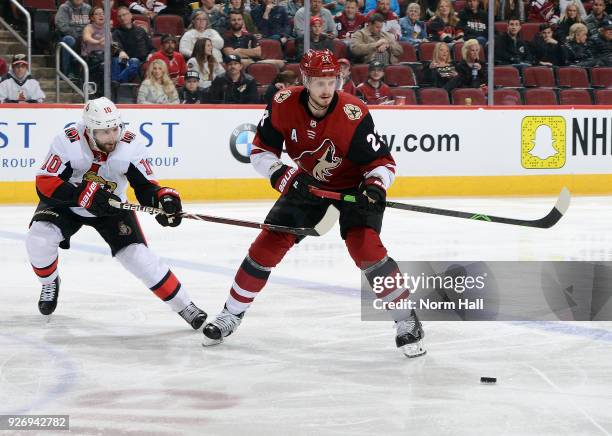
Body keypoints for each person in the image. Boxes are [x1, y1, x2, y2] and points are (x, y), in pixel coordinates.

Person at [201, 49, 426, 359]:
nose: (326, 90)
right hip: (306, 184)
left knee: (367, 249)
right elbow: (261, 152)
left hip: (354, 187)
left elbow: (382, 163)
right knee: (267, 244)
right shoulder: (282, 104)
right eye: (319, 82)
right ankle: (230, 314)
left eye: (331, 81)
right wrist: (283, 176)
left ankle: (406, 321)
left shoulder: (354, 113)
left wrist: (375, 186)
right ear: (305, 80)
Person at [25, 97, 207, 330]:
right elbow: (44, 182)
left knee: (139, 258)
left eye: (114, 129)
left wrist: (162, 198)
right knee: (39, 238)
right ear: (89, 131)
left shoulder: (130, 145)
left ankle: (185, 305)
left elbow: (145, 186)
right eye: (103, 132)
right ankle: (49, 282)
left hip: (112, 206)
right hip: (67, 202)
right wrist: (79, 195)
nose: (112, 137)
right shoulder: (67, 141)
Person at [55, 0, 91, 79]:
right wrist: (78, 35)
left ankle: (91, 72)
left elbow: (92, 24)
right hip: (69, 37)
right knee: (69, 39)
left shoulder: (88, 8)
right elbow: (62, 26)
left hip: (84, 36)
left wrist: (85, 35)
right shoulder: (64, 8)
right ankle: (68, 72)